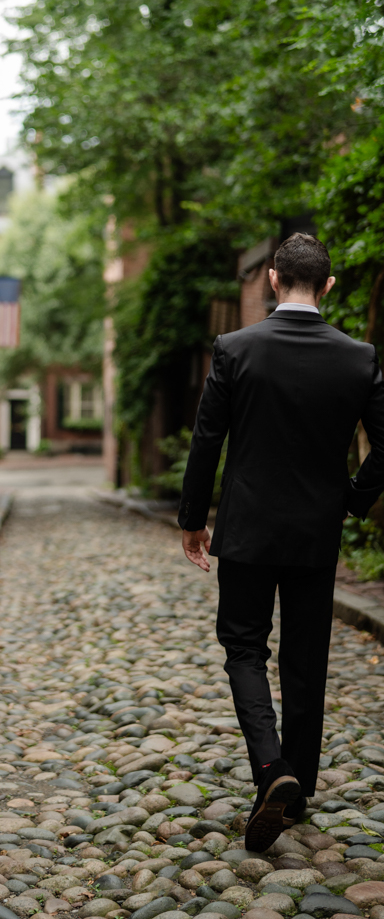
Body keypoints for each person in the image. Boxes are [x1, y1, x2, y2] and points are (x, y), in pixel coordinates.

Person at [179, 233, 384, 852]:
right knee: (305, 660)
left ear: (272, 280)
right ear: (327, 286)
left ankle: (272, 769)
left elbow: (206, 440)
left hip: (245, 531)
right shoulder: (359, 357)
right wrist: (351, 497)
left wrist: (192, 517)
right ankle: (301, 791)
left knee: (244, 649)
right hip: (315, 534)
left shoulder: (236, 348)